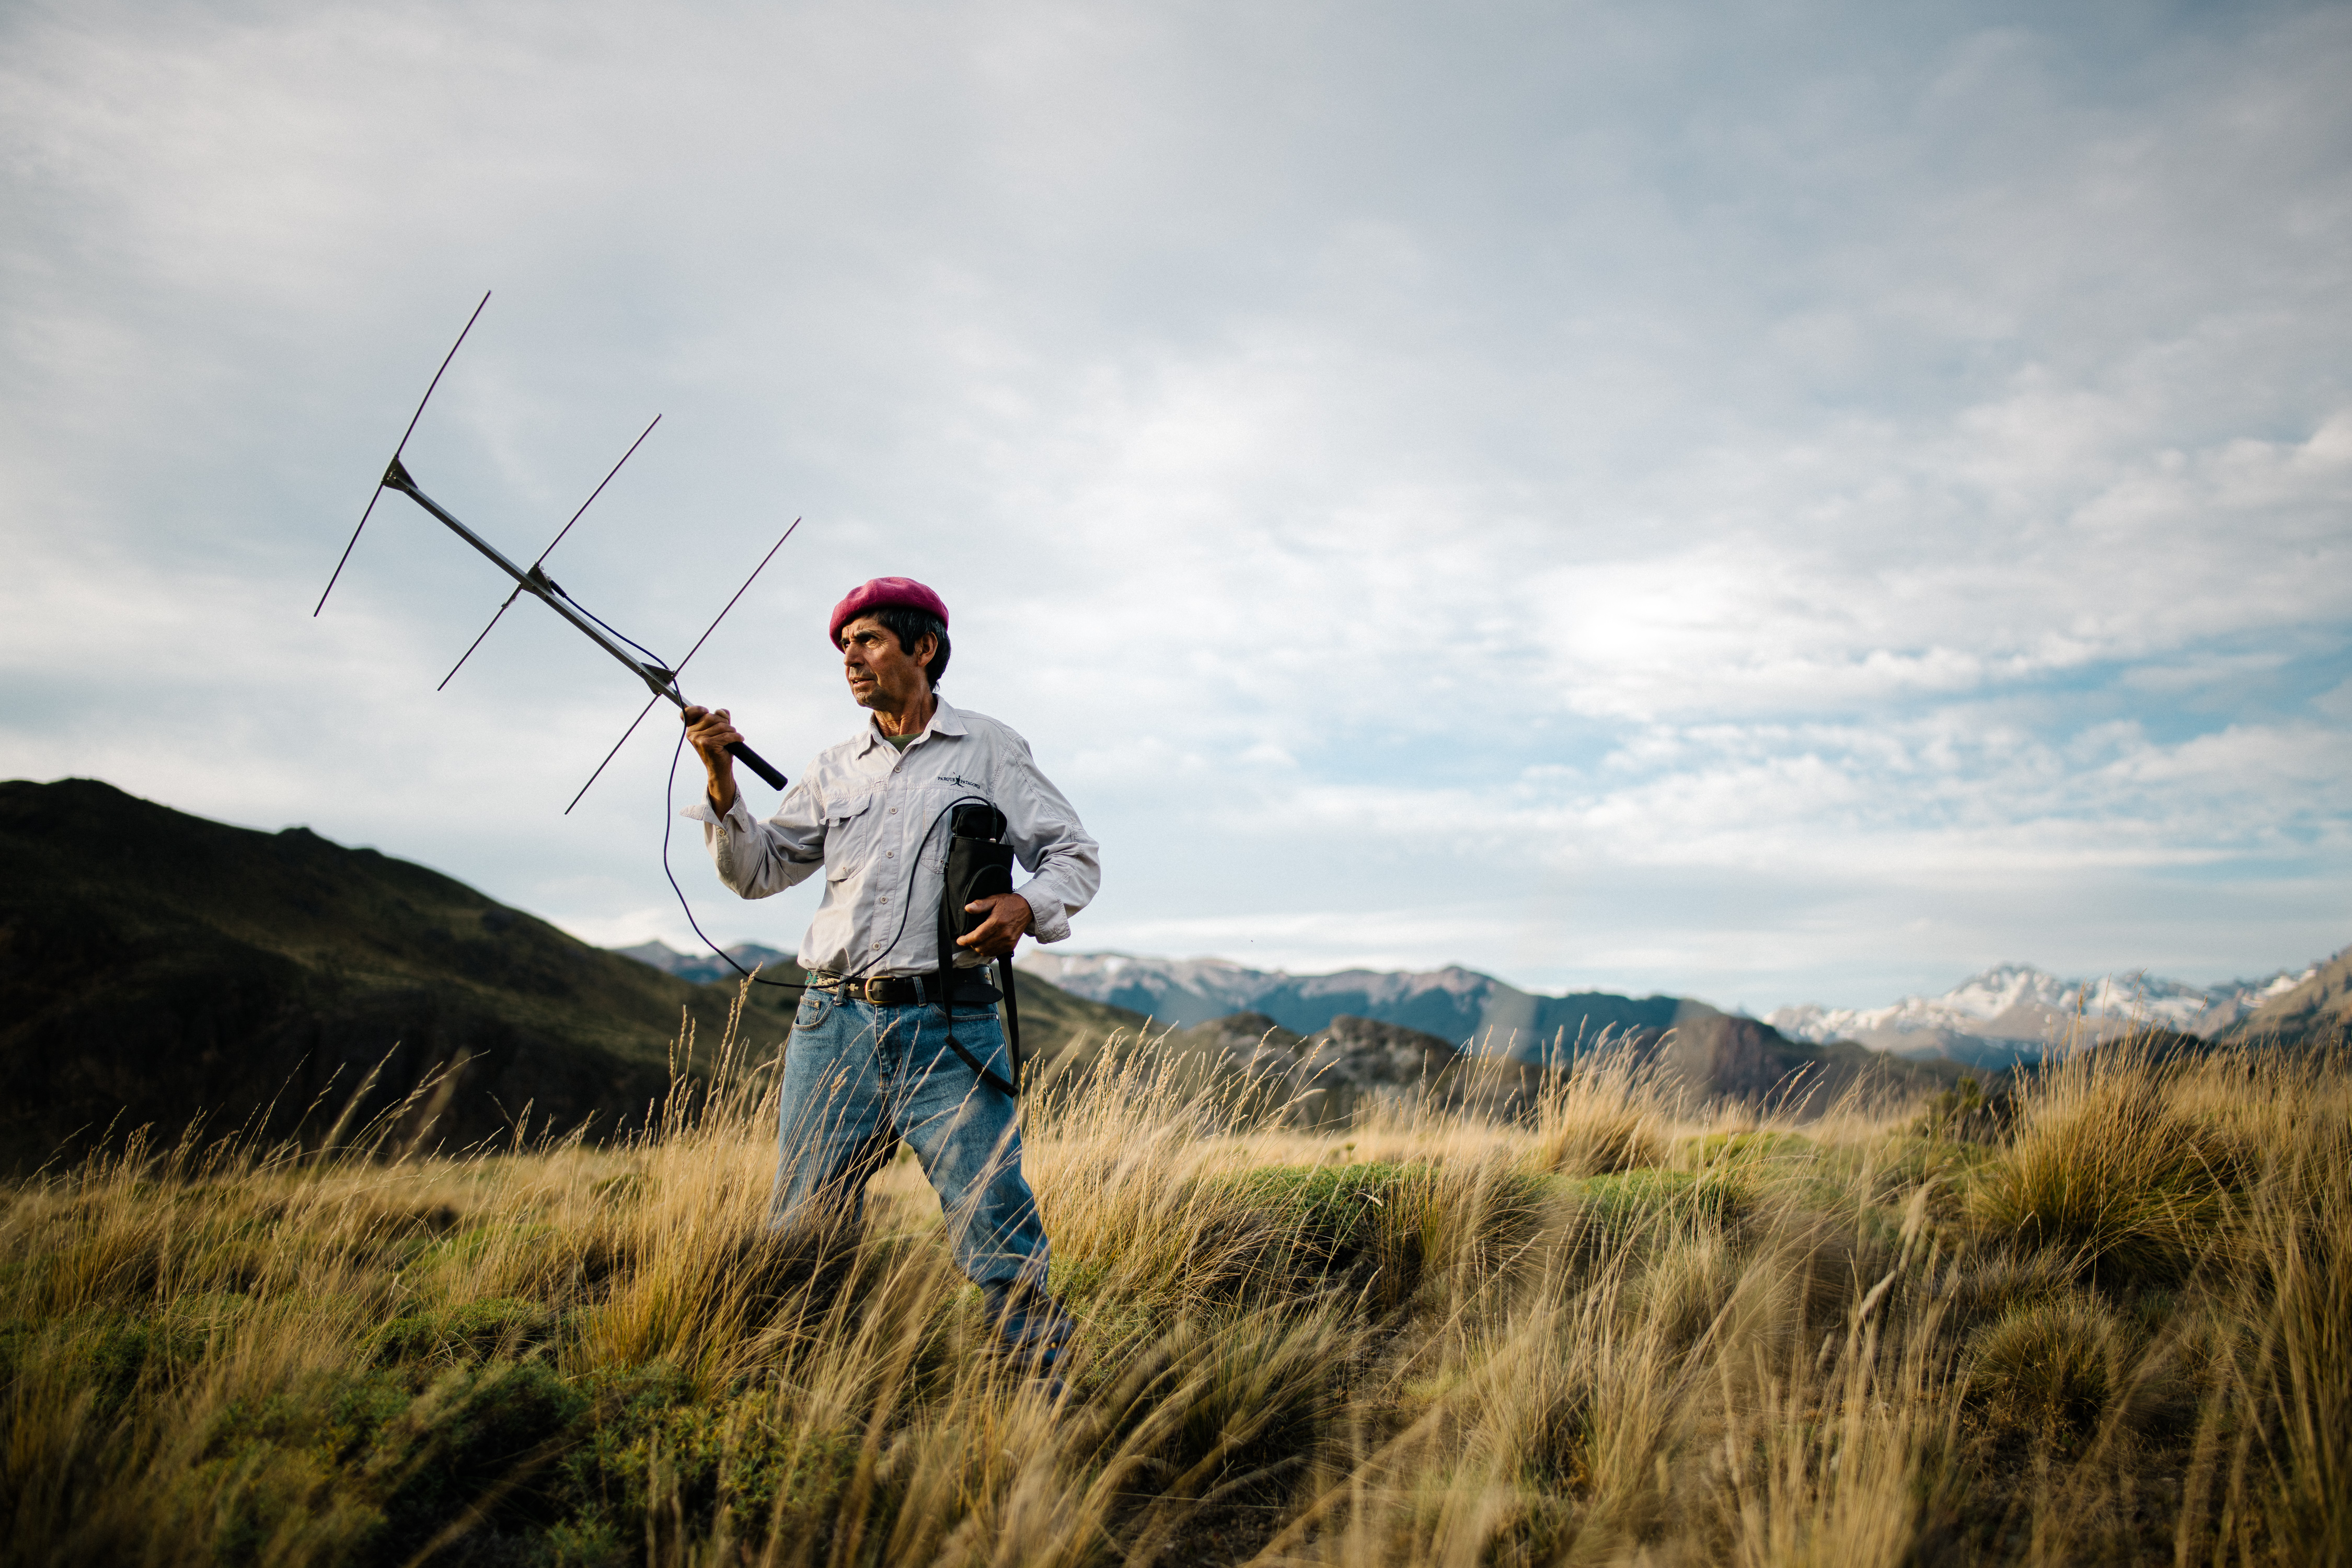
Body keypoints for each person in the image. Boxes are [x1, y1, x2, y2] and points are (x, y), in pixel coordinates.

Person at [679, 576, 1099, 1375]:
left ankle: (1041, 1390)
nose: (851, 658)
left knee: (996, 1217)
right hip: (829, 1022)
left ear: (925, 648)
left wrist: (1026, 905)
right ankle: (796, 1386)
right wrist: (722, 783)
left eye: (868, 640)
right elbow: (758, 871)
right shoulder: (832, 769)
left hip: (950, 1023)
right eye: (844, 647)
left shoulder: (991, 749)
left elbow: (1074, 855)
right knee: (804, 1226)